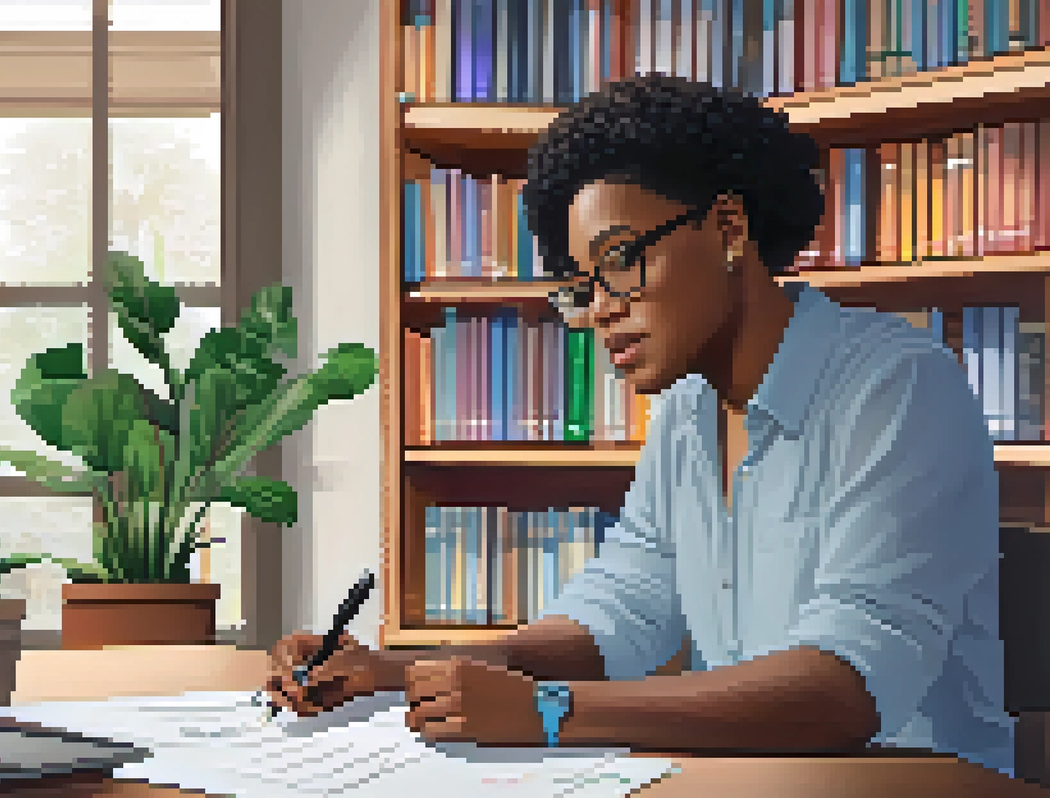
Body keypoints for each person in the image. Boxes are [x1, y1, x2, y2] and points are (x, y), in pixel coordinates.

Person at [264, 74, 1015, 773]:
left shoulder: (897, 388)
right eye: (583, 286)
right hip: (752, 782)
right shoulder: (688, 412)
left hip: (911, 784)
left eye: (620, 260)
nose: (600, 309)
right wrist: (394, 672)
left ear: (728, 227)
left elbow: (845, 688)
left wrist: (549, 713)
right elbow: (620, 611)